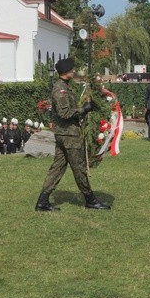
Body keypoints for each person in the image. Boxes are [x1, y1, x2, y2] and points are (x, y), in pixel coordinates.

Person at [35, 57, 110, 211]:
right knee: (79, 167)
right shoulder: (60, 89)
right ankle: (90, 199)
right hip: (69, 135)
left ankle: (42, 201)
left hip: (64, 134)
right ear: (65, 72)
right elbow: (64, 113)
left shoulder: (65, 86)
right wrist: (84, 109)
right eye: (71, 69)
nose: (74, 71)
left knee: (57, 168)